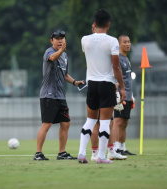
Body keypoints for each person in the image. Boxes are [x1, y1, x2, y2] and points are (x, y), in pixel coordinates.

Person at [78, 9, 126, 164]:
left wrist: (93, 33)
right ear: (108, 24)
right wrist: (122, 88)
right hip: (106, 84)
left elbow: (91, 48)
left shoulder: (85, 39)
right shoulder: (112, 41)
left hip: (91, 84)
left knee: (90, 120)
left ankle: (81, 154)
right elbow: (116, 66)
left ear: (94, 23)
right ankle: (101, 156)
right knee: (105, 122)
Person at [34, 29, 84, 161]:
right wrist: (61, 51)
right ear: (52, 41)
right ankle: (38, 153)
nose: (60, 40)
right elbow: (52, 58)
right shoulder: (49, 51)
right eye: (57, 38)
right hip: (48, 95)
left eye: (62, 38)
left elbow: (65, 75)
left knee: (66, 123)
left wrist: (74, 82)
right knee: (47, 124)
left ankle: (62, 153)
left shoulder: (65, 56)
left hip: (61, 96)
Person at [112, 35, 136, 156]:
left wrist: (132, 96)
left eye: (129, 41)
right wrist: (117, 90)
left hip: (128, 94)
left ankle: (122, 147)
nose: (128, 44)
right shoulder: (118, 58)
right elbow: (113, 74)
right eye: (125, 42)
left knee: (125, 121)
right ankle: (115, 148)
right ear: (119, 44)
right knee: (118, 121)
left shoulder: (126, 59)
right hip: (120, 95)